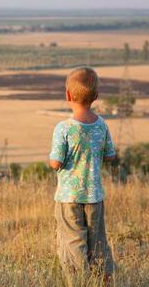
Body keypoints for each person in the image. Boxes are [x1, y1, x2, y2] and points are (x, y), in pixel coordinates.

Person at [49, 66, 116, 285]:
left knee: (73, 242)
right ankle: (104, 279)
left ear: (67, 95)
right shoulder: (102, 124)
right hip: (94, 195)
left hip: (69, 197)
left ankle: (79, 282)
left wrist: (55, 161)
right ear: (96, 96)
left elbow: (56, 162)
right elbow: (110, 156)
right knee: (97, 241)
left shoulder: (64, 128)